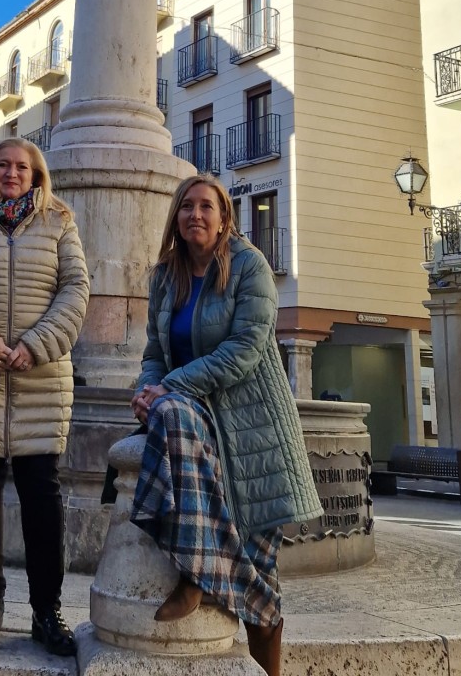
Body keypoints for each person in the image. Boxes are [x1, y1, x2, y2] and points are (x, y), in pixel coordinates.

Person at [130, 174, 322, 676]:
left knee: (260, 563)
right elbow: (154, 351)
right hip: (193, 408)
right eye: (187, 206)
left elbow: (244, 349)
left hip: (249, 422)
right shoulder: (165, 276)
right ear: (176, 216)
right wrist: (147, 390)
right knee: (168, 412)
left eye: (206, 207)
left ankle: (206, 579)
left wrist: (168, 387)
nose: (196, 214)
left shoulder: (247, 266)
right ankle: (197, 568)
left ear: (223, 217)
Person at [0, 138, 89, 657]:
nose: (11, 173)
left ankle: (47, 611)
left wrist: (34, 345)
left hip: (40, 377)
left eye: (21, 167)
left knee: (41, 494)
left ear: (36, 175)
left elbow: (76, 289)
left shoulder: (60, 222)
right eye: (3, 165)